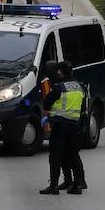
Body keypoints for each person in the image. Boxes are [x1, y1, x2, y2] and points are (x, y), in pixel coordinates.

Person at [40, 60, 86, 195]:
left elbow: (47, 103)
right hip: (74, 126)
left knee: (55, 156)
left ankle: (53, 186)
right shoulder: (79, 87)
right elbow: (83, 108)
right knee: (73, 155)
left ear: (60, 72)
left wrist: (48, 115)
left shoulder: (59, 87)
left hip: (59, 126)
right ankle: (77, 185)